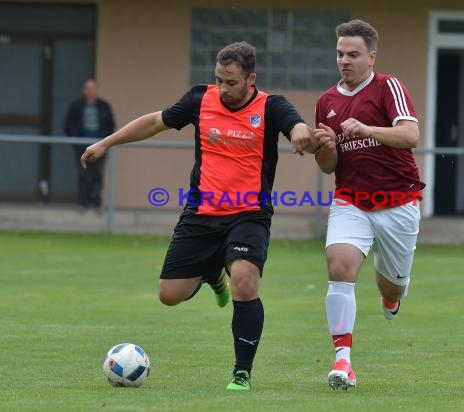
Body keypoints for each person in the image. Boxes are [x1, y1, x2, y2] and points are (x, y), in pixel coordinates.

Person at [80, 42, 319, 391]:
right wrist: (107, 142)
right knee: (168, 294)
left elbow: (296, 127)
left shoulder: (271, 106)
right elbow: (154, 122)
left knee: (245, 281)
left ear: (250, 79)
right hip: (201, 213)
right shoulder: (199, 99)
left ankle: (242, 372)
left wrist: (302, 136)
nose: (223, 88)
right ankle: (213, 275)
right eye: (219, 80)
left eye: (231, 82)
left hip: (248, 214)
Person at [313, 20, 426, 390]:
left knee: (392, 289)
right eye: (340, 54)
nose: (344, 61)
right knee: (340, 266)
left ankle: (391, 293)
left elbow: (410, 134)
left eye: (353, 54)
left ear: (371, 56)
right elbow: (328, 166)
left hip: (397, 201)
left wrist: (366, 129)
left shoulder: (387, 87)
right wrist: (326, 147)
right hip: (351, 200)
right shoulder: (326, 102)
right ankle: (343, 363)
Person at [64, 79, 115, 210]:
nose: (90, 91)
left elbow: (110, 125)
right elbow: (68, 125)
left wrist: (106, 142)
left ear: (96, 90)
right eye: (88, 88)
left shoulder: (104, 106)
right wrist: (75, 140)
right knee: (83, 173)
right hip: (81, 146)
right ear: (84, 90)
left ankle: (96, 202)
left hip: (100, 146)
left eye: (93, 88)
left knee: (98, 173)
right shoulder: (76, 106)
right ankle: (83, 202)